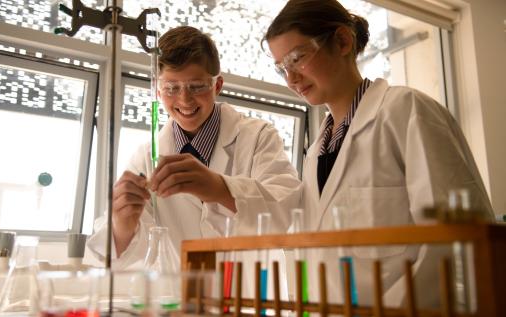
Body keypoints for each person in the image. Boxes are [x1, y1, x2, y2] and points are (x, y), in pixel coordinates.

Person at [263, 0, 494, 308]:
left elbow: (460, 240)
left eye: (297, 58)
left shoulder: (407, 111)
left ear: (343, 41)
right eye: (282, 68)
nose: (291, 79)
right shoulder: (316, 151)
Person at [87, 26, 302, 272]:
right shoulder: (147, 157)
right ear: (158, 89)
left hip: (250, 299)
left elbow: (288, 212)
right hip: (182, 301)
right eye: (172, 88)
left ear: (217, 85)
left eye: (196, 86)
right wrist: (121, 223)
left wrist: (220, 189)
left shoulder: (258, 137)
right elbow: (114, 257)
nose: (184, 100)